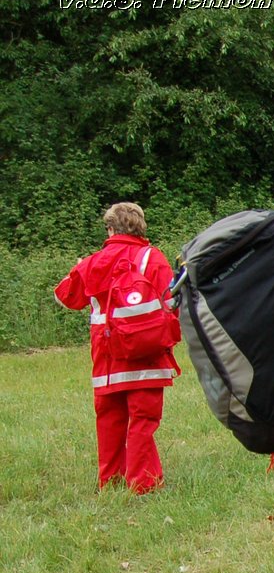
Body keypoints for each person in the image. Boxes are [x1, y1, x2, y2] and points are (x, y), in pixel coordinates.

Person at [53, 202, 179, 494]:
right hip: (146, 354)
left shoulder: (95, 261)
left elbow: (65, 298)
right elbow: (173, 302)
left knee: (109, 419)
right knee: (143, 420)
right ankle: (143, 484)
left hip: (107, 357)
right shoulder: (152, 258)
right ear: (140, 226)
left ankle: (110, 482)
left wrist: (78, 266)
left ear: (110, 229)